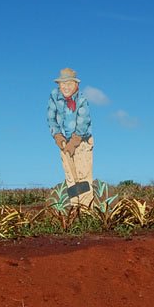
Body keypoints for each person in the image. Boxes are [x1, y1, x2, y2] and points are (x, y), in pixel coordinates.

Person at [46, 68, 94, 207]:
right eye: (63, 84)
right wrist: (58, 136)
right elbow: (51, 117)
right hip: (64, 142)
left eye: (69, 84)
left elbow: (83, 122)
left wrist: (74, 142)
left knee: (83, 177)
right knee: (71, 178)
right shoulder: (54, 96)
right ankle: (75, 208)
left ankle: (86, 209)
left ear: (76, 85)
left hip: (82, 141)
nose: (66, 87)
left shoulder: (82, 100)